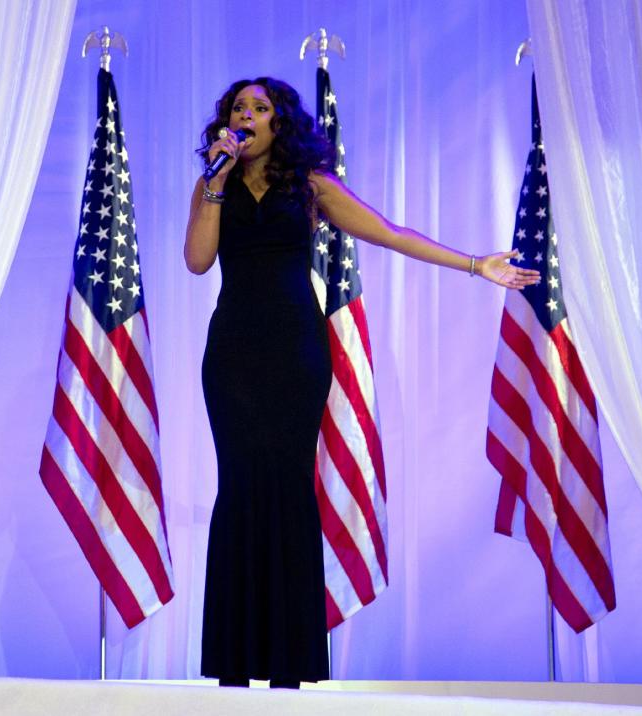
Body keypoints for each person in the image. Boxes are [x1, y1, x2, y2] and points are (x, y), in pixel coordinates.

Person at [184, 77, 540, 689]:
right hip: (233, 357)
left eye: (260, 109)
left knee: (291, 489)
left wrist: (475, 265)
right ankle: (234, 665)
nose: (247, 116)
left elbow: (390, 232)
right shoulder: (211, 184)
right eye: (238, 108)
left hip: (295, 353)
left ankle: (290, 666)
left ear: (280, 122)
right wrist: (214, 184)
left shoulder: (311, 186)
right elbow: (196, 261)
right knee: (240, 489)